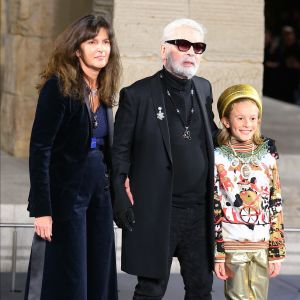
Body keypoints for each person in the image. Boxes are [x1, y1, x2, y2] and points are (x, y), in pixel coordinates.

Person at [112, 18, 218, 300]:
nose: (191, 52)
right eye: (183, 44)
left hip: (199, 210)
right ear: (164, 51)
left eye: (198, 47)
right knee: (150, 290)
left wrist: (254, 145)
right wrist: (119, 196)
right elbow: (119, 151)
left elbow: (214, 136)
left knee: (201, 289)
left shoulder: (204, 89)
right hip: (159, 209)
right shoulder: (137, 94)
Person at [24, 14, 121, 300]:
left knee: (99, 266)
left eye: (105, 42)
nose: (101, 48)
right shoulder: (58, 87)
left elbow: (106, 147)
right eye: (93, 42)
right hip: (67, 196)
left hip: (99, 193)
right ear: (77, 49)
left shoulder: (103, 89)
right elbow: (40, 150)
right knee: (69, 271)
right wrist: (42, 209)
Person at [213, 84, 286, 300]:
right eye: (241, 118)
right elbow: (214, 205)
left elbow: (275, 203)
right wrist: (218, 253)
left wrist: (276, 251)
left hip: (262, 245)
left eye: (253, 119)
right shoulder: (218, 157)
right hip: (232, 243)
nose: (247, 124)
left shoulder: (268, 157)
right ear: (226, 121)